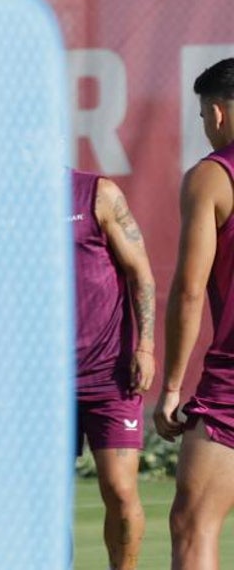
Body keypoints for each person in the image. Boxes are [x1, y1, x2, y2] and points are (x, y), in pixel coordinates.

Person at [155, 56, 234, 569]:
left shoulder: (212, 177)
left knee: (193, 526)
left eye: (203, 116)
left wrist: (171, 388)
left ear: (218, 113)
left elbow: (187, 290)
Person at [71, 168, 156, 569]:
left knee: (121, 491)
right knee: (43, 500)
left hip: (110, 375)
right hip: (39, 383)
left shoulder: (98, 193)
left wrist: (146, 346)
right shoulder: (7, 204)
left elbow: (141, 272)